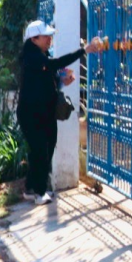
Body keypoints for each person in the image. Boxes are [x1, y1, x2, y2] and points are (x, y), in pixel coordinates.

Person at [17, 20, 104, 204]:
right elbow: (55, 63)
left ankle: (31, 188)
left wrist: (62, 79)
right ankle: (40, 193)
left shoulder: (41, 55)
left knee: (43, 149)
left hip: (44, 112)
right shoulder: (32, 57)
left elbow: (48, 76)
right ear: (34, 39)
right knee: (41, 151)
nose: (50, 39)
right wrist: (84, 51)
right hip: (32, 114)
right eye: (46, 36)